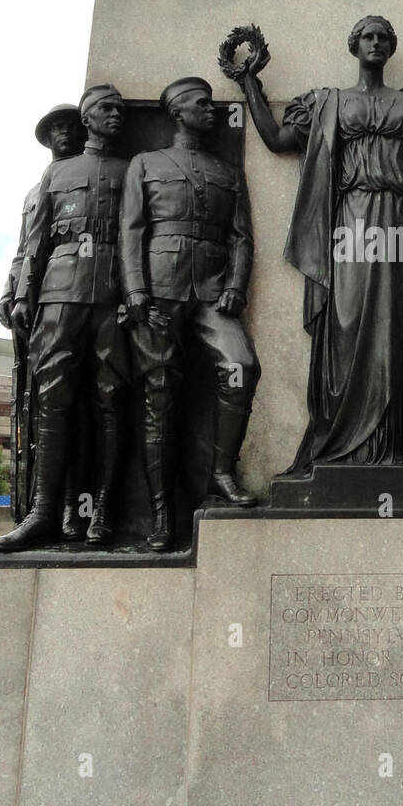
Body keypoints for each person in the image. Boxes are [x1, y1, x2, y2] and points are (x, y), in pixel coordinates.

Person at [238, 16, 403, 472]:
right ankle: (344, 442)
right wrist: (249, 82)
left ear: (391, 47)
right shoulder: (328, 103)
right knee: (346, 322)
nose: (376, 43)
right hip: (350, 221)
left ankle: (398, 446)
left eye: (383, 37)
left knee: (398, 323)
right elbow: (276, 140)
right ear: (353, 45)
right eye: (368, 36)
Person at [120, 77, 260, 551]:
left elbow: (241, 235)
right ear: (178, 112)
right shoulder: (146, 163)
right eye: (203, 105)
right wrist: (136, 291)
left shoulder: (226, 169)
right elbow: (131, 232)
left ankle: (221, 472)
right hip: (159, 291)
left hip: (213, 292)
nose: (212, 112)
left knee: (241, 366)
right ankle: (161, 514)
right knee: (158, 396)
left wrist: (237, 285)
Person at [0, 84, 130, 551]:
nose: (117, 116)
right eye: (106, 110)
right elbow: (34, 243)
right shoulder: (55, 175)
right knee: (53, 400)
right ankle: (44, 512)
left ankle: (105, 511)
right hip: (59, 292)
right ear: (88, 117)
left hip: (113, 293)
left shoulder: (132, 169)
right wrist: (23, 295)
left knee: (111, 398)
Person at [0, 103, 86, 528]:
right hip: (40, 308)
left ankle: (71, 505)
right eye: (57, 130)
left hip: (79, 300)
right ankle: (37, 507)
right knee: (42, 413)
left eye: (72, 127)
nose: (65, 134)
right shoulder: (35, 193)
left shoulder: (92, 175)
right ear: (48, 139)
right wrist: (10, 292)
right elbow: (24, 250)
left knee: (79, 406)